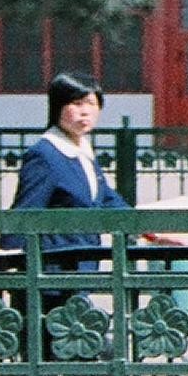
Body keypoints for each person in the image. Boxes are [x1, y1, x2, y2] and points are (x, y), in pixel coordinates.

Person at [10, 71, 132, 262]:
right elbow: (25, 211)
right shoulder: (45, 154)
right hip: (53, 270)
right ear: (58, 107)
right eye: (76, 103)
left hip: (83, 264)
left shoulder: (83, 150)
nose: (85, 111)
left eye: (92, 103)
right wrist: (7, 261)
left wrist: (150, 230)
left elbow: (107, 200)